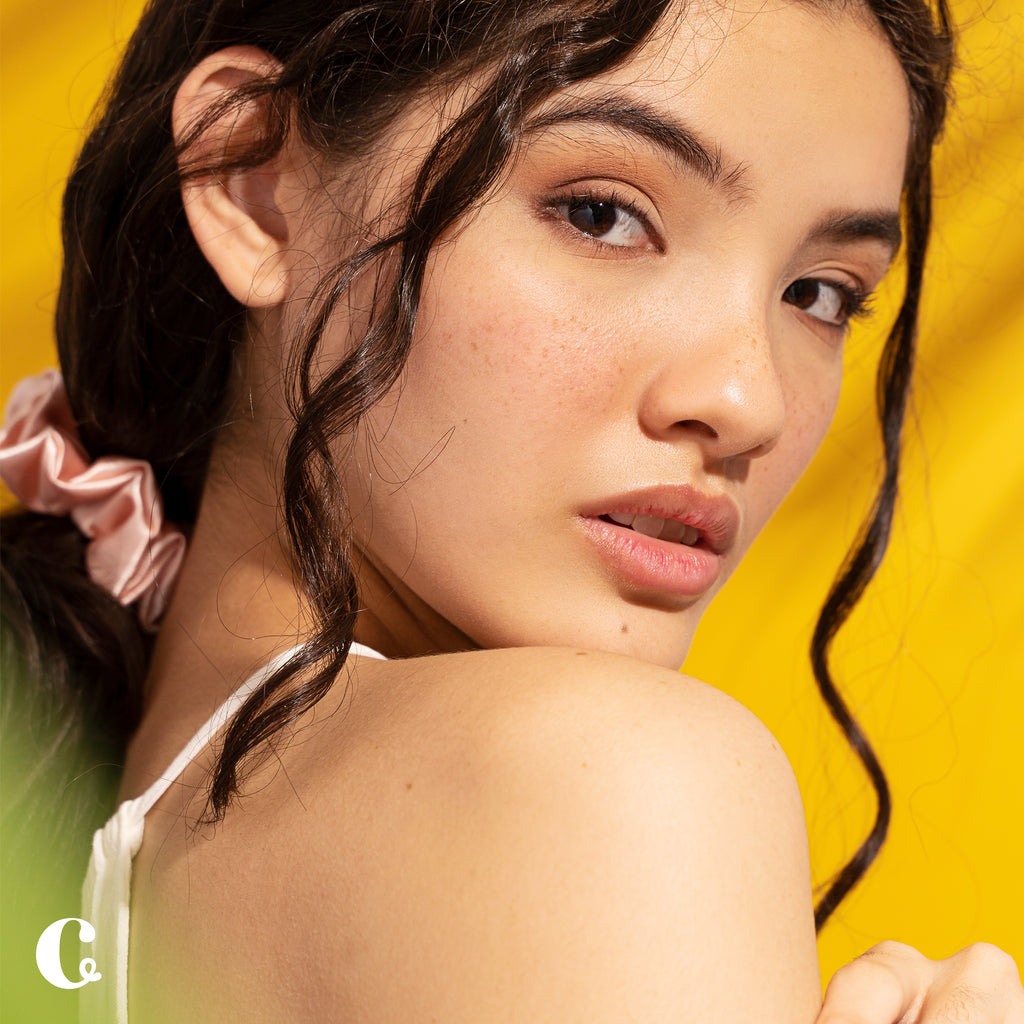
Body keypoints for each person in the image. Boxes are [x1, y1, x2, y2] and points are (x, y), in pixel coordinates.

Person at [0, 0, 1021, 1021]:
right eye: (601, 214)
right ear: (254, 185)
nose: (747, 403)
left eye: (819, 293)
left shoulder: (118, 835)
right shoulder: (607, 781)